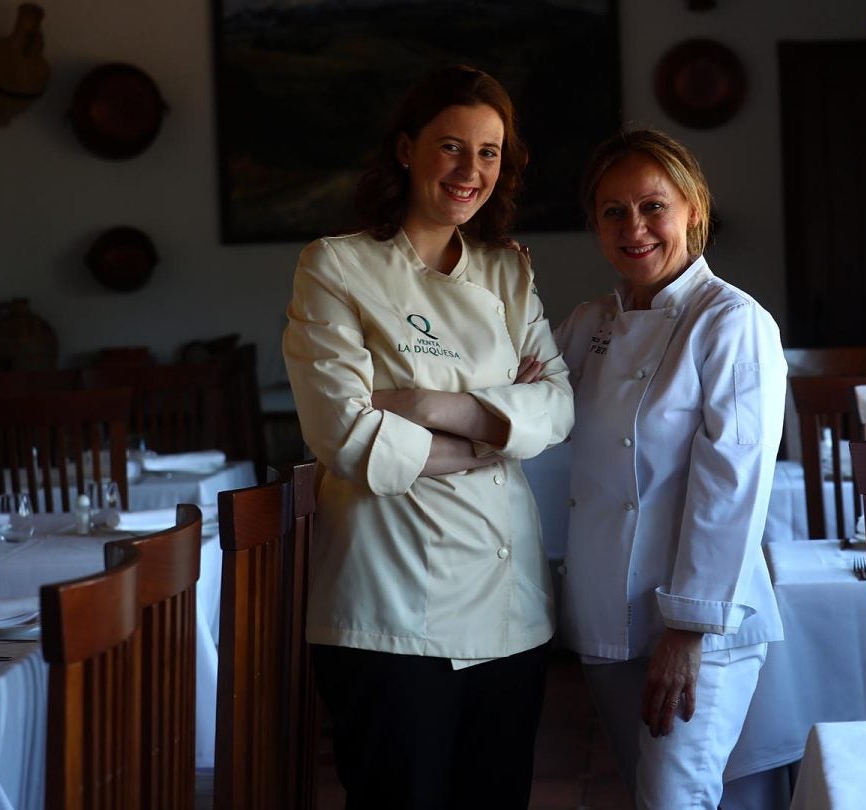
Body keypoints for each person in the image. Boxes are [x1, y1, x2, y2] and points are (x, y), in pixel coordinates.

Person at [281, 65, 573, 809]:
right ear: (406, 149)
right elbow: (346, 438)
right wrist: (498, 433)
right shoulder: (336, 266)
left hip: (510, 608)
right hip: (390, 614)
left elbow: (559, 405)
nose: (469, 170)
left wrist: (419, 404)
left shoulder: (508, 271)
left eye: (488, 152)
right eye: (450, 146)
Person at [553, 128, 786, 808]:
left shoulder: (732, 322)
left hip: (699, 624)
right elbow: (520, 406)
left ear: (692, 207)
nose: (635, 228)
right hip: (606, 615)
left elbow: (733, 488)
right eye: (613, 212)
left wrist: (687, 630)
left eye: (653, 206)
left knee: (673, 801)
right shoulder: (588, 323)